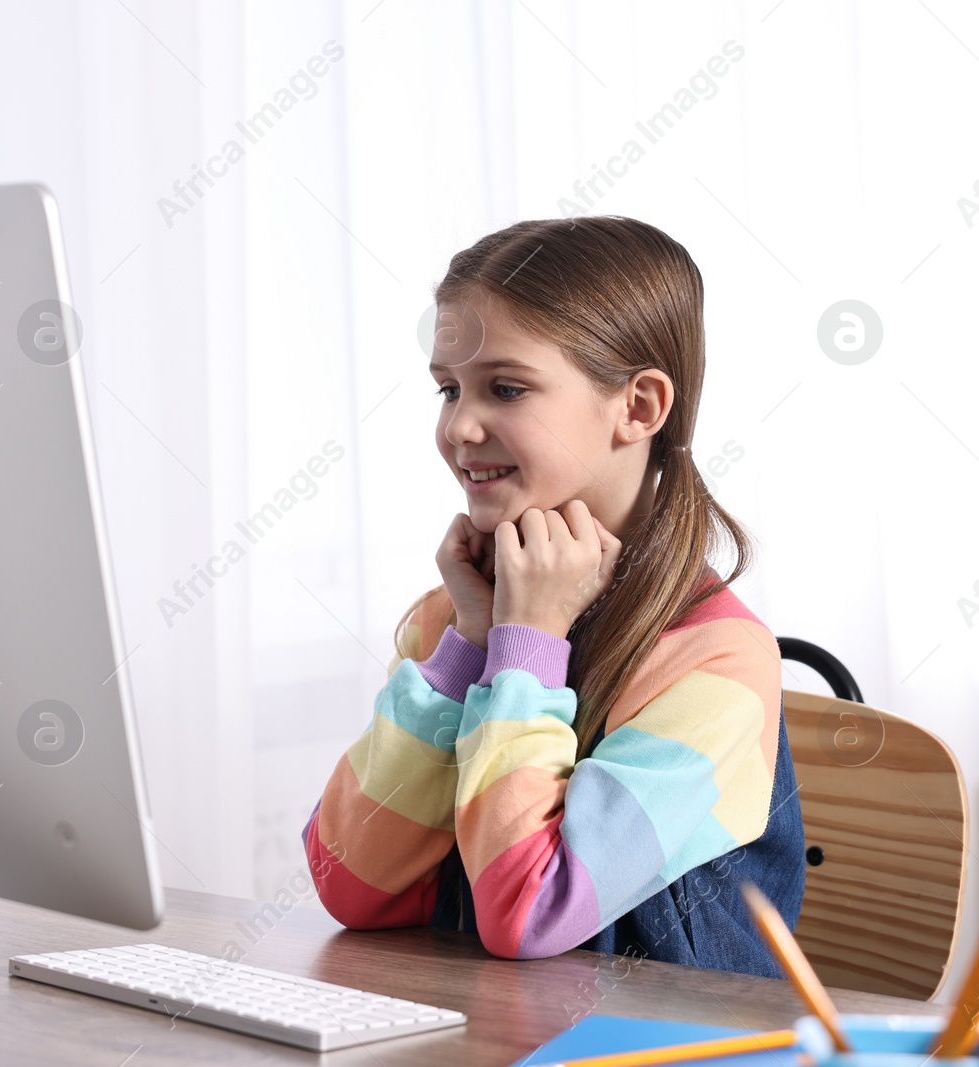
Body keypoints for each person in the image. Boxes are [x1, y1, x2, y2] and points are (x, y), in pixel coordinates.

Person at [300, 216, 804, 977]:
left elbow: (528, 912)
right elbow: (351, 881)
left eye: (505, 387)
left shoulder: (718, 660)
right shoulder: (455, 616)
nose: (459, 425)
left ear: (638, 407)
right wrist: (471, 643)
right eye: (448, 389)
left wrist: (527, 647)